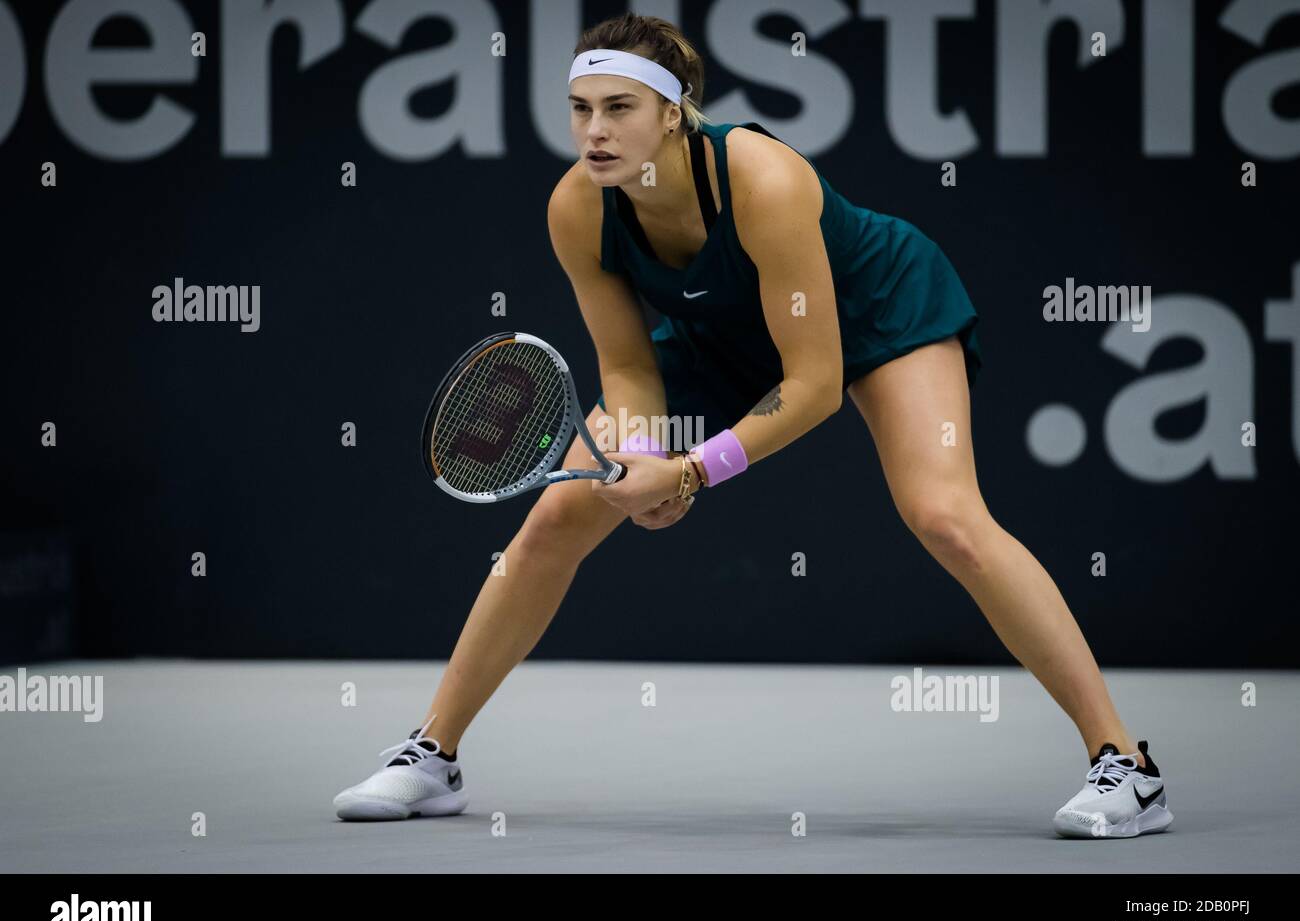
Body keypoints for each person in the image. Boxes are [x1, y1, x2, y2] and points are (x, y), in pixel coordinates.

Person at [333, 13, 1172, 840]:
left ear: (673, 111)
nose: (594, 132)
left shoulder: (763, 181)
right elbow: (628, 370)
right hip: (718, 334)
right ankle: (431, 754)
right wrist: (641, 458)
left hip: (876, 311)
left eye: (619, 108)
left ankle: (1127, 768)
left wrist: (693, 472)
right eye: (580, 109)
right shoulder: (579, 209)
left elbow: (811, 384)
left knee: (946, 517)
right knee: (556, 516)